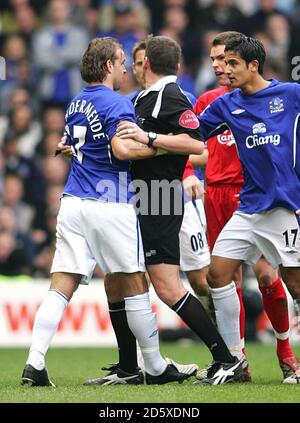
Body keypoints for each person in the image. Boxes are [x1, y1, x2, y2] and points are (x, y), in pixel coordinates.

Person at [21, 37, 195, 387]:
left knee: (61, 285)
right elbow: (124, 150)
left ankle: (34, 363)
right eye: (120, 61)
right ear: (107, 67)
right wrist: (165, 150)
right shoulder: (117, 103)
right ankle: (157, 366)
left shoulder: (75, 103)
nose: (126, 67)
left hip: (72, 203)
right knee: (135, 282)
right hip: (109, 203)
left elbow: (84, 144)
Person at [83, 35, 244, 386]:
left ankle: (226, 358)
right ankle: (128, 368)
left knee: (168, 287)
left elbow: (196, 142)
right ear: (178, 63)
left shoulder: (172, 96)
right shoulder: (143, 98)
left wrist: (150, 140)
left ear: (144, 64)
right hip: (136, 196)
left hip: (160, 196)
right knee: (115, 280)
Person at [192, 31, 300, 384]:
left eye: (227, 60)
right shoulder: (217, 102)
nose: (220, 67)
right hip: (231, 201)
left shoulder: (289, 94)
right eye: (215, 61)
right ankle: (235, 361)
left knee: (282, 280)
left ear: (251, 64)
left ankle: (285, 352)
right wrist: (149, 140)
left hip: (278, 202)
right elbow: (189, 138)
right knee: (219, 276)